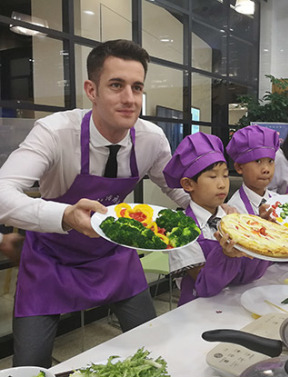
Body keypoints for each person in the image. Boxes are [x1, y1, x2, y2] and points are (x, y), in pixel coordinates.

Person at [0, 39, 189, 367]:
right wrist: (66, 215)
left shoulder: (151, 139)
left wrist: (218, 209)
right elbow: (3, 192)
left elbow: (179, 191)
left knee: (153, 349)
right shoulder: (55, 132)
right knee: (30, 363)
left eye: (137, 87)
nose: (129, 99)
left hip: (114, 255)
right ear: (92, 89)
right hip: (51, 259)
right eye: (116, 85)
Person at [163, 132, 271, 306]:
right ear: (188, 184)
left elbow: (250, 274)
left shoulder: (232, 216)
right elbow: (204, 285)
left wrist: (261, 235)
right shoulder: (180, 230)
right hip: (198, 310)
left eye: (226, 175)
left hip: (237, 302)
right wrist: (225, 255)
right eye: (213, 176)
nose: (222, 184)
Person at [226, 125, 288, 261]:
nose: (266, 169)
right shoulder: (234, 211)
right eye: (258, 161)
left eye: (270, 161)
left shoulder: (279, 200)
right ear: (239, 167)